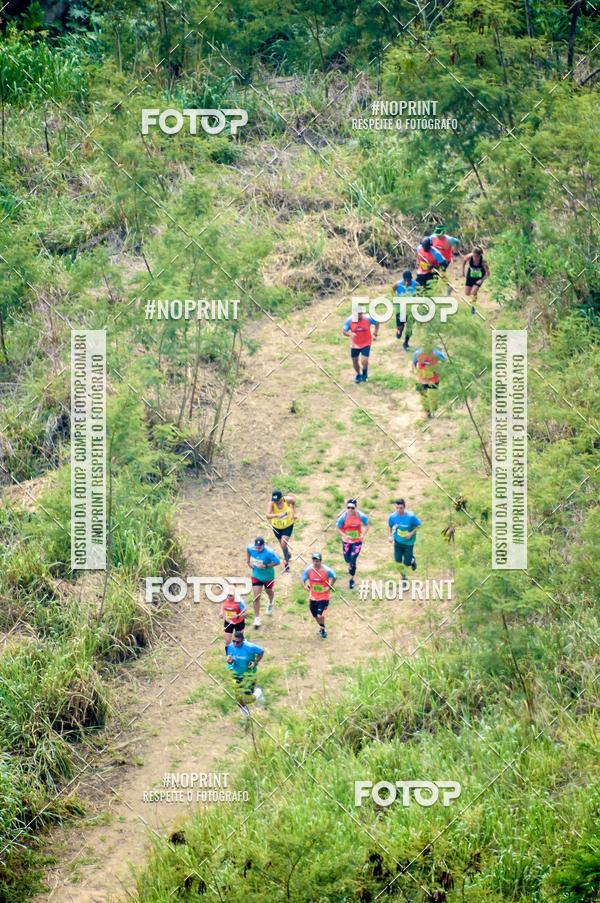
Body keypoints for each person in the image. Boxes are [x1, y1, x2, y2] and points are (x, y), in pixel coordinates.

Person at [225, 630, 264, 715]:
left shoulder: (250, 647)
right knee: (239, 698)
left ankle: (258, 692)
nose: (235, 644)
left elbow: (261, 652)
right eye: (233, 641)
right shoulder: (230, 647)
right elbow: (230, 661)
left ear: (242, 640)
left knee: (248, 699)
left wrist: (255, 662)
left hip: (249, 675)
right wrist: (229, 661)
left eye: (237, 642)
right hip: (236, 675)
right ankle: (246, 718)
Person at [246, 536, 281, 627]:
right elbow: (248, 550)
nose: (258, 549)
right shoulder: (251, 548)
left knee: (268, 591)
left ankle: (270, 603)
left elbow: (278, 562)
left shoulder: (269, 552)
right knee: (256, 596)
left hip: (268, 576)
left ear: (263, 545)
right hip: (256, 575)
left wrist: (266, 566)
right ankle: (257, 618)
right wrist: (248, 562)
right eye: (256, 547)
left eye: (260, 547)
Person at [301, 552, 336, 639]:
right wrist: (304, 586)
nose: (315, 563)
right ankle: (322, 626)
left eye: (317, 561)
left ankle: (323, 629)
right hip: (313, 596)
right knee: (315, 615)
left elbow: (334, 577)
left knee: (320, 615)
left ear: (321, 561)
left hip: (324, 596)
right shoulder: (308, 570)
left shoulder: (327, 570)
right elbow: (302, 579)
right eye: (314, 561)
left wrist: (329, 586)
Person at [336, 498, 369, 589]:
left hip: (357, 541)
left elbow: (367, 525)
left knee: (352, 560)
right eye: (348, 507)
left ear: (356, 507)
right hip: (346, 541)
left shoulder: (361, 516)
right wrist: (344, 535)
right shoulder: (344, 517)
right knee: (347, 559)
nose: (350, 509)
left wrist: (363, 535)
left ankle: (351, 579)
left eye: (352, 508)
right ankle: (350, 564)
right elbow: (338, 527)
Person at [343, 309, 379, 383]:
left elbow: (377, 322)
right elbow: (344, 331)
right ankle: (358, 374)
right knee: (355, 361)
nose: (359, 316)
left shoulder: (368, 318)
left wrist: (375, 333)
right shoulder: (349, 320)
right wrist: (350, 334)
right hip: (355, 344)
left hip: (366, 342)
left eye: (360, 314)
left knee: (364, 360)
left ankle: (365, 373)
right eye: (357, 314)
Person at [387, 498, 422, 575]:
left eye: (401, 508)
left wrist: (411, 533)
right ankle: (403, 577)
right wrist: (390, 536)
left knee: (407, 563)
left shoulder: (411, 517)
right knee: (398, 561)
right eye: (397, 508)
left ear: (404, 507)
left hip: (408, 543)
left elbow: (419, 525)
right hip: (398, 542)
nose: (399, 510)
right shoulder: (393, 516)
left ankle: (412, 560)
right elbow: (390, 525)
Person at [412, 345, 446, 418]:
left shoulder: (437, 353)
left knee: (434, 395)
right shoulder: (417, 353)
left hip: (433, 379)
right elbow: (414, 364)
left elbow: (444, 362)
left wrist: (439, 371)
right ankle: (427, 412)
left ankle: (434, 408)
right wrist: (416, 373)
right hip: (422, 378)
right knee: (423, 395)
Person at [266, 490, 295, 572]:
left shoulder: (287, 500)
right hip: (276, 527)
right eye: (275, 500)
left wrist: (294, 513)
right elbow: (267, 515)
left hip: (288, 525)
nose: (276, 502)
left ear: (282, 498)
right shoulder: (271, 503)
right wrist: (276, 515)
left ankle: (286, 562)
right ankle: (287, 554)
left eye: (278, 500)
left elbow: (293, 502)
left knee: (283, 544)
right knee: (282, 545)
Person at [393, 270, 417, 350]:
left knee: (409, 327)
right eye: (405, 281)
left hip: (411, 309)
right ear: (403, 279)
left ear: (411, 279)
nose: (407, 283)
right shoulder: (397, 284)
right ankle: (399, 331)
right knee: (400, 326)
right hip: (400, 309)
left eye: (408, 281)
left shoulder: (416, 285)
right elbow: (392, 290)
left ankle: (406, 342)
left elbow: (421, 294)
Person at [461, 247, 489, 313]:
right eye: (473, 255)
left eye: (476, 256)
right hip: (470, 275)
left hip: (479, 278)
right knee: (467, 293)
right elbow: (464, 261)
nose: (474, 257)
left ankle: (473, 308)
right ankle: (474, 298)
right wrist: (463, 271)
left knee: (473, 293)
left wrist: (482, 280)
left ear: (480, 256)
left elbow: (488, 274)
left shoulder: (483, 262)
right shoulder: (469, 257)